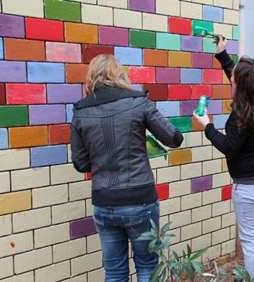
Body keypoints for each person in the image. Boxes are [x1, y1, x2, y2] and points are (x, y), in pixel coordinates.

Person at [71, 54, 183, 282]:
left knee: (114, 272)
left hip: (104, 202)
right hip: (139, 199)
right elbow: (174, 138)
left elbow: (81, 163)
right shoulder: (137, 102)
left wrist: (104, 156)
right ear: (119, 74)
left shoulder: (81, 110)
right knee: (147, 267)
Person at [193, 36, 254, 281]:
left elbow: (229, 148)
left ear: (241, 86)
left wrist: (207, 126)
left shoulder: (240, 116)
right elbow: (241, 76)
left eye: (233, 80)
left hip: (250, 186)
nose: (231, 79)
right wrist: (223, 54)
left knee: (251, 240)